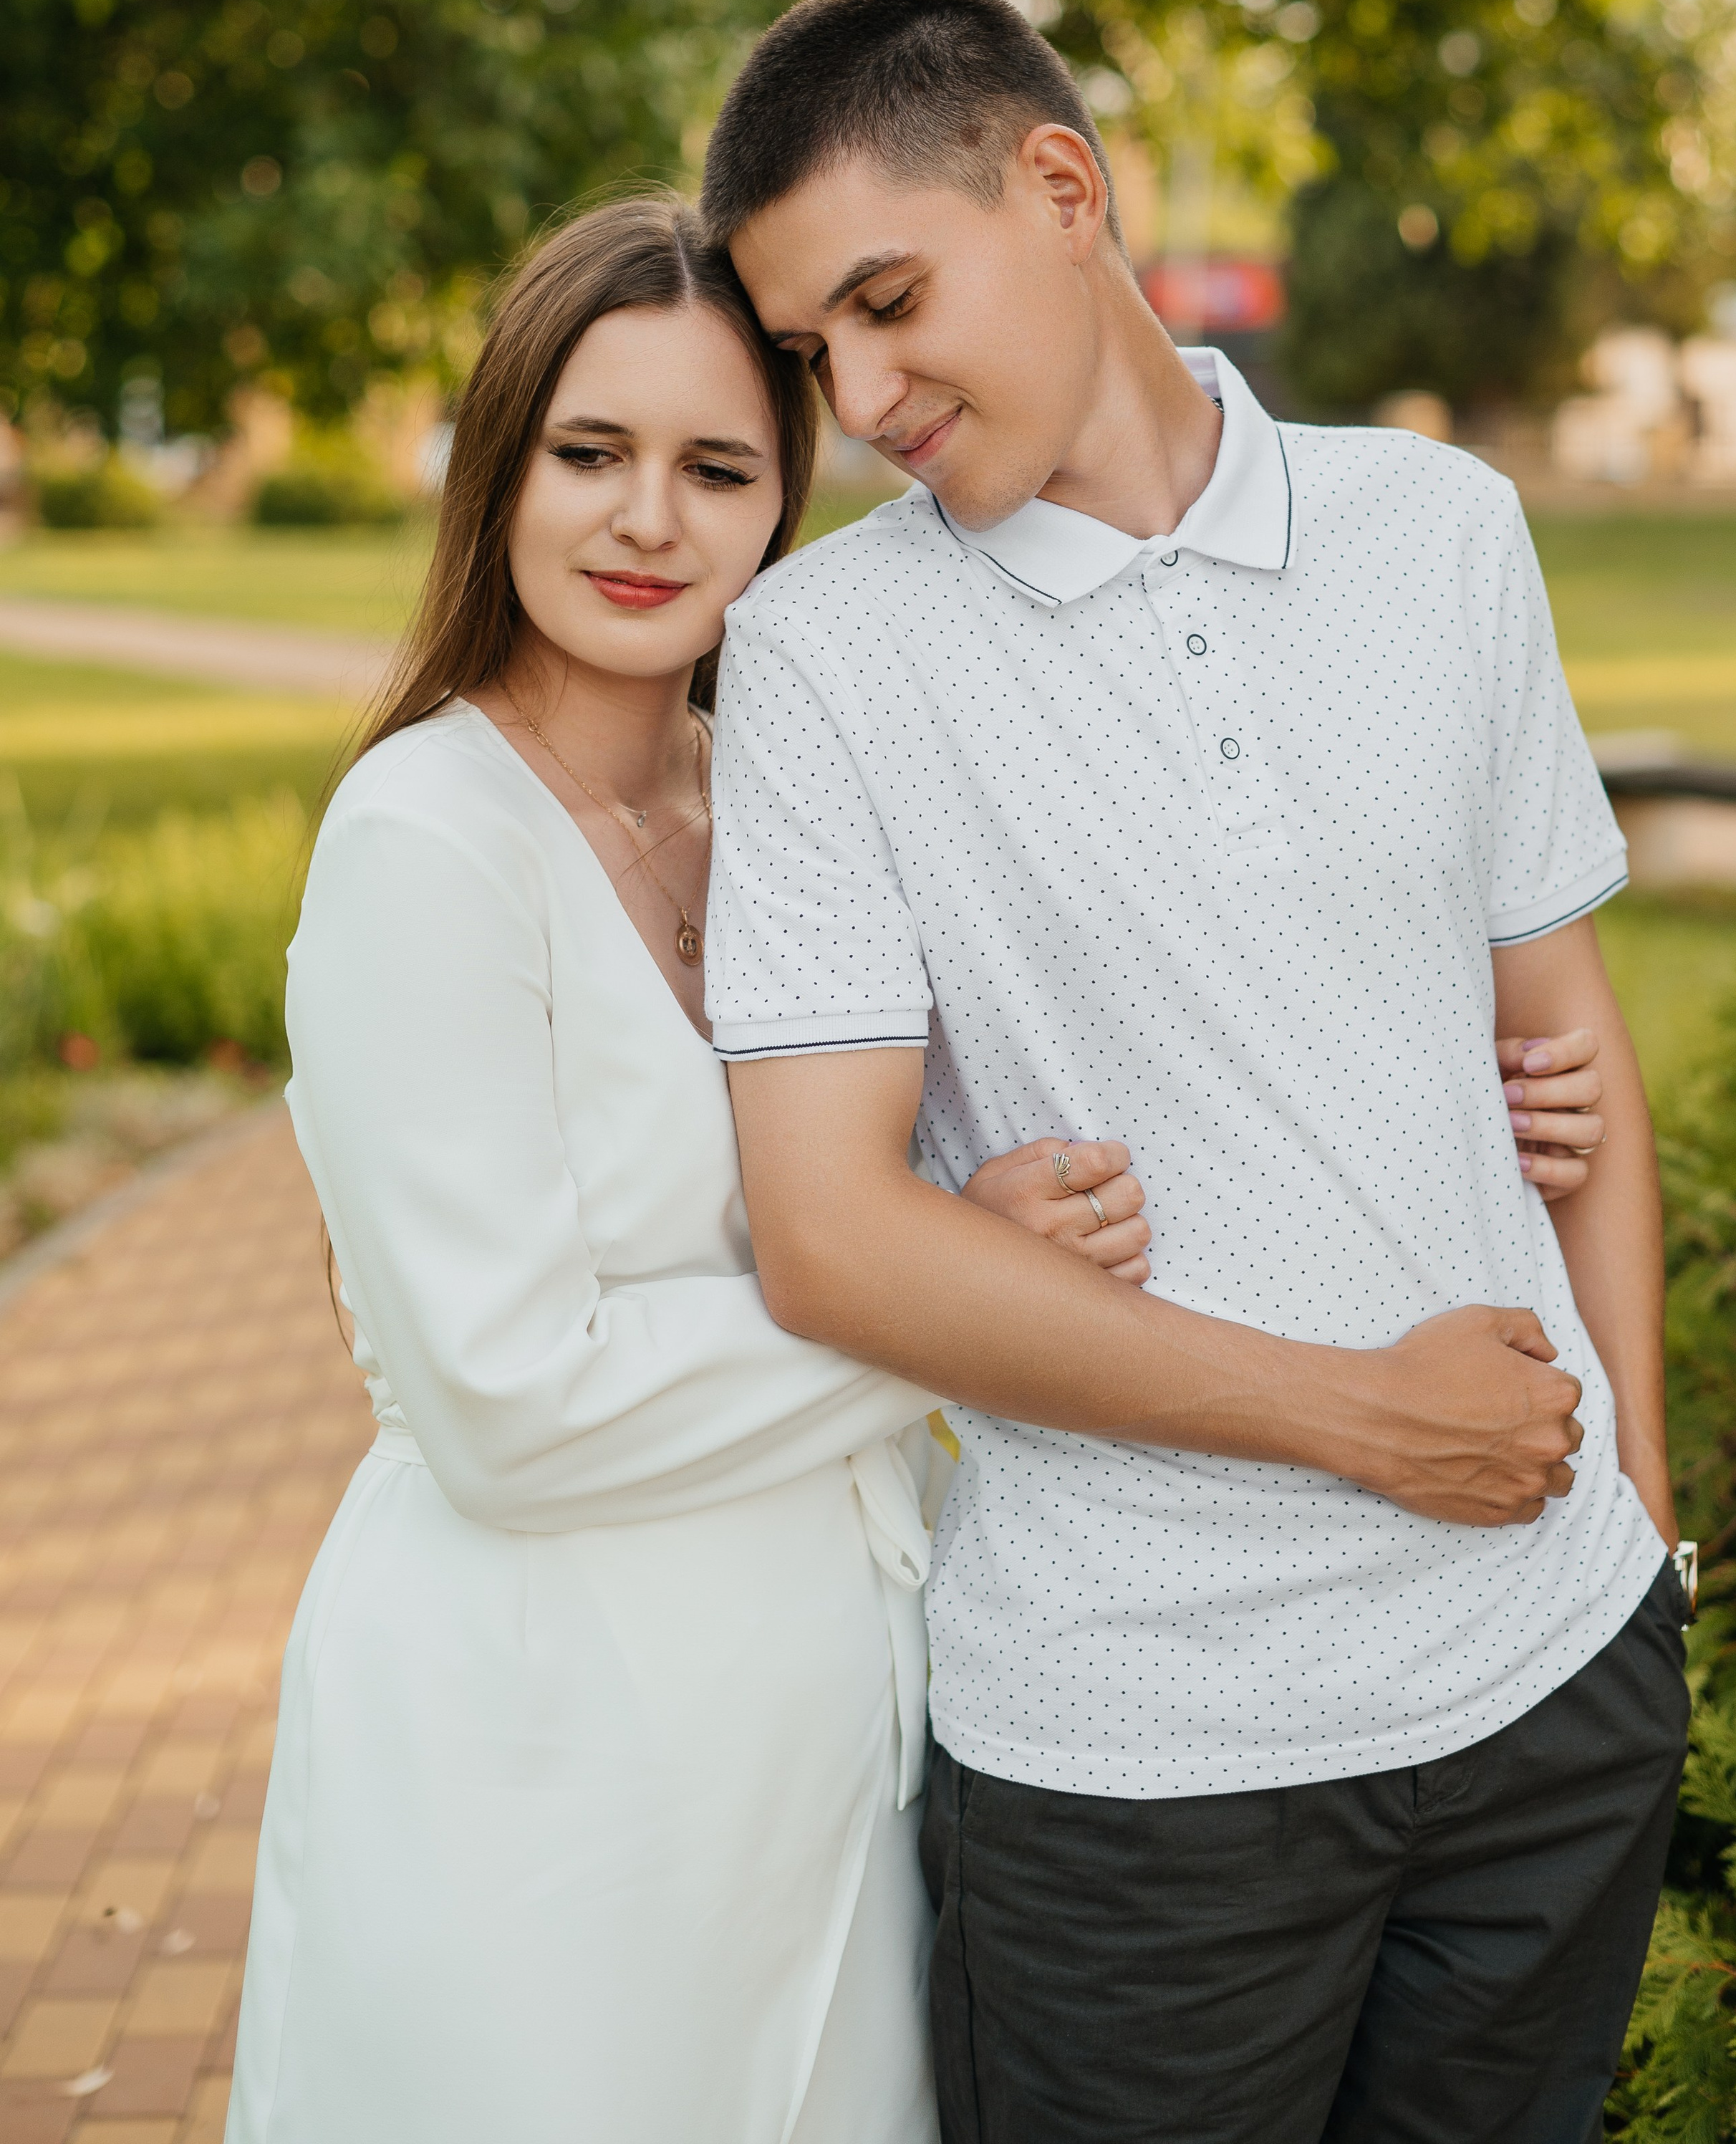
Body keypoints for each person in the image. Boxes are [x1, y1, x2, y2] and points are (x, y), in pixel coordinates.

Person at [697, 0, 1689, 2144]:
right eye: (808, 352)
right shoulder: (821, 662)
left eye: (885, 300)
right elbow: (830, 1238)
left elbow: (1572, 1053)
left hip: (1552, 1698)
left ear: (1062, 188)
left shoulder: (1441, 530)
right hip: (1143, 1771)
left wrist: (1644, 1538)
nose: (856, 396)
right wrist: (1368, 1425)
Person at [225, 196, 1167, 2144]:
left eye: (717, 466)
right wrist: (941, 1310)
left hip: (832, 1720)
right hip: (540, 1756)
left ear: (780, 504)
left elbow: (1054, 1092)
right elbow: (510, 1405)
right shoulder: (428, 840)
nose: (649, 519)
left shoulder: (780, 799)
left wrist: (1481, 1063)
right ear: (502, 468)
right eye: (593, 453)